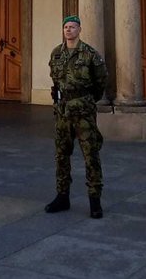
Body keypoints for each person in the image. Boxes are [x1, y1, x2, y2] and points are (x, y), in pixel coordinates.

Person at [45, 15, 107, 219]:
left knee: (91, 155)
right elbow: (55, 80)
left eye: (72, 27)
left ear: (79, 29)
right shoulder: (57, 53)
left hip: (83, 113)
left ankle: (94, 201)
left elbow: (100, 84)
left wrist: (86, 100)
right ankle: (62, 196)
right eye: (66, 27)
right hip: (63, 112)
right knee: (61, 155)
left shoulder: (90, 55)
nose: (68, 30)